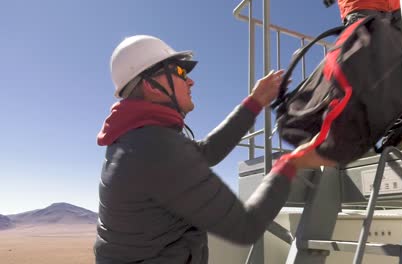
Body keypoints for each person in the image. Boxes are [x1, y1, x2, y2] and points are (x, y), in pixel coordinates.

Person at [94, 35, 326, 264]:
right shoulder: (156, 148)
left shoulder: (136, 138)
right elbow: (245, 226)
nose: (190, 81)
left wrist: (254, 102)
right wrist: (289, 164)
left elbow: (205, 153)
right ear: (150, 85)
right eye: (180, 72)